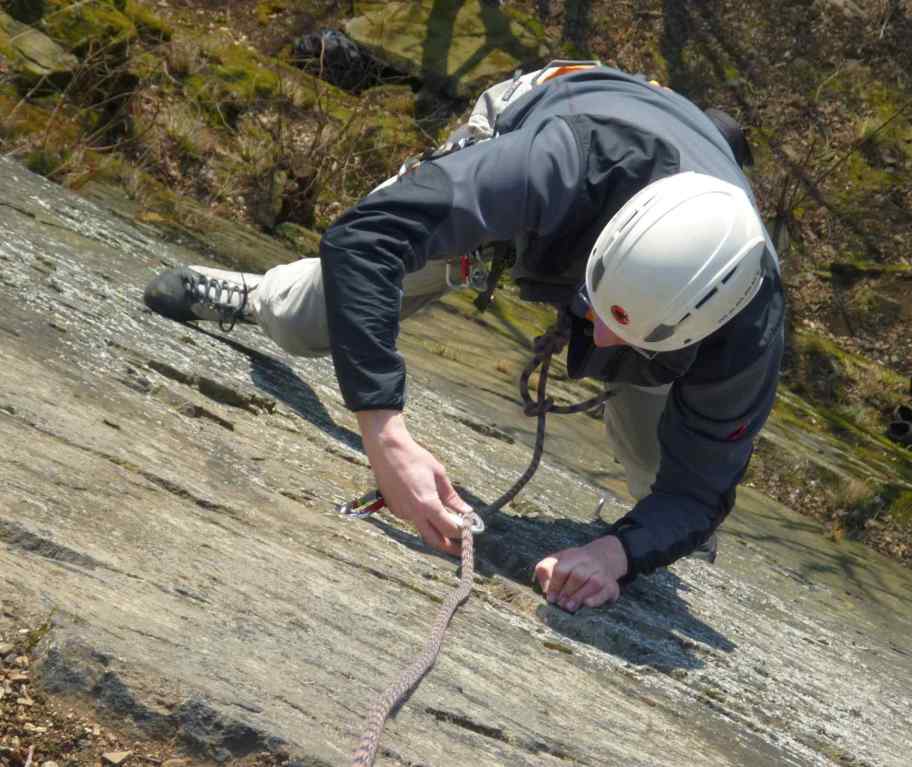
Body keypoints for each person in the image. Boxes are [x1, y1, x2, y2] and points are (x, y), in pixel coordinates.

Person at [144, 63, 785, 613]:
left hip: (675, 230)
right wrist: (385, 436)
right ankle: (260, 296)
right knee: (312, 318)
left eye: (631, 337)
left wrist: (617, 552)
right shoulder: (550, 165)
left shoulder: (747, 325)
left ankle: (650, 511)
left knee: (667, 484)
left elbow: (699, 490)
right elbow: (367, 238)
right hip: (555, 109)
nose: (599, 346)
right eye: (594, 311)